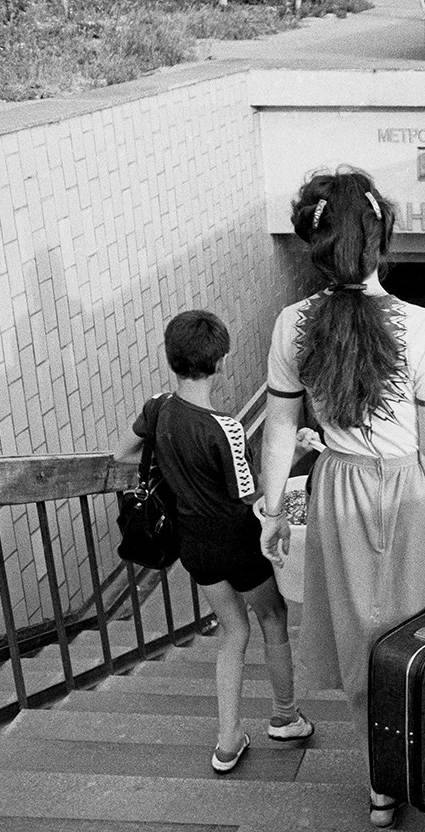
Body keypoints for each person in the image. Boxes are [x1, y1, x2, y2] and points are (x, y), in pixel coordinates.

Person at [257, 168, 425, 830]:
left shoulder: (292, 324)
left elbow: (277, 429)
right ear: (382, 237)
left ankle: (382, 784)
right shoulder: (421, 327)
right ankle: (422, 760)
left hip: (340, 489)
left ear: (314, 240)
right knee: (418, 640)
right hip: (413, 491)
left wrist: (274, 510)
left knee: (364, 650)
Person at [115, 311, 314, 777]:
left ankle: (228, 742)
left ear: (171, 358)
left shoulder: (158, 407)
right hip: (237, 543)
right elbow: (255, 495)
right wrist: (298, 452)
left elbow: (122, 451)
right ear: (222, 361)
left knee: (232, 632)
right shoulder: (224, 428)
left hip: (194, 545)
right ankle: (285, 717)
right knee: (272, 617)